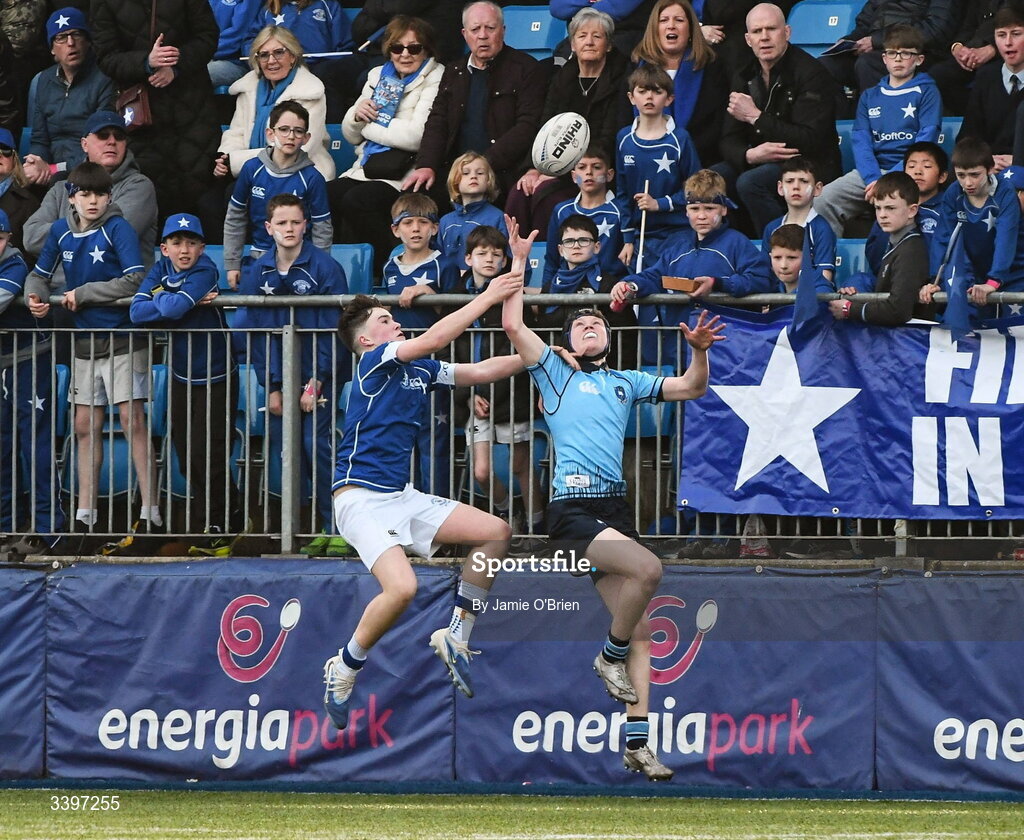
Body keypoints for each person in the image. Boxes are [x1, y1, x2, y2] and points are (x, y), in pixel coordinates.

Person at [502, 219, 726, 781]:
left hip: (615, 511)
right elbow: (512, 321)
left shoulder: (626, 380)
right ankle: (608, 654)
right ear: (568, 343)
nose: (588, 325)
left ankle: (636, 742)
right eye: (578, 323)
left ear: (609, 334)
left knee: (644, 631)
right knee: (649, 570)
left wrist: (698, 353)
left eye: (596, 320)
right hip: (572, 512)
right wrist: (519, 261)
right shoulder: (554, 376)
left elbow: (692, 388)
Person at [321, 258, 531, 729]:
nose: (394, 322)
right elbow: (436, 336)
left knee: (496, 532)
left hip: (400, 495)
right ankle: (346, 664)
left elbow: (479, 370)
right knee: (404, 588)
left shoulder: (418, 369)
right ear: (366, 340)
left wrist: (538, 356)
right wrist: (490, 295)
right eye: (384, 320)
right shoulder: (374, 362)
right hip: (358, 500)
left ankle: (457, 634)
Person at [24, 162, 155, 552]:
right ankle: (85, 516)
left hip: (123, 338)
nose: (92, 201)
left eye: (99, 194)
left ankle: (150, 510)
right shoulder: (61, 230)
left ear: (109, 196)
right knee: (84, 424)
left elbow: (135, 277)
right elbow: (40, 272)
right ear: (71, 197)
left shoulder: (118, 228)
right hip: (84, 342)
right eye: (84, 194)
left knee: (133, 420)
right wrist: (35, 296)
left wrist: (84, 294)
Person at [129, 213, 243, 555]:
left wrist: (163, 298)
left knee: (211, 453)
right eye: (177, 243)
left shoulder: (206, 269)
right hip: (181, 374)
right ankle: (217, 516)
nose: (184, 250)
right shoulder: (159, 269)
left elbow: (173, 307)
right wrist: (174, 300)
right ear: (164, 248)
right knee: (183, 452)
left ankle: (224, 521)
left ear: (202, 247)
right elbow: (136, 313)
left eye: (191, 243)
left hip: (217, 374)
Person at [240, 193, 347, 541]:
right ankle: (295, 531)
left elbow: (335, 331)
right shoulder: (258, 270)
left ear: (306, 225)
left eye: (295, 222)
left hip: (320, 374)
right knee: (288, 451)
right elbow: (257, 335)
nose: (289, 228)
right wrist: (271, 386)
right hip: (280, 376)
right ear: (268, 228)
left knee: (318, 447)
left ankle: (336, 528)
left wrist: (317, 381)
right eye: (281, 223)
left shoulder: (326, 268)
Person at [614, 168, 769, 366]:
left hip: (727, 351)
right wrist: (630, 285)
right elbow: (654, 277)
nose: (702, 216)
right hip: (681, 349)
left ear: (724, 209)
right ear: (686, 211)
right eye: (695, 209)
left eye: (709, 208)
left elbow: (761, 280)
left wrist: (717, 284)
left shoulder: (738, 243)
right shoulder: (676, 245)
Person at [402, 1, 547, 209]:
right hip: (456, 174)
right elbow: (437, 122)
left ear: (503, 31)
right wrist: (426, 165)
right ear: (464, 34)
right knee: (414, 194)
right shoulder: (453, 71)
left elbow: (528, 126)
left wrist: (483, 165)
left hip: (503, 171)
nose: (483, 35)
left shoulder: (527, 69)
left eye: (490, 28)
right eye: (475, 29)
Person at [328, 16, 443, 276]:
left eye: (414, 48)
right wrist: (357, 116)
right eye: (396, 48)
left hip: (403, 174)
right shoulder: (377, 75)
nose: (404, 54)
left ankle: (387, 265)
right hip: (365, 167)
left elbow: (415, 136)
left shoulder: (435, 76)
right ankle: (337, 270)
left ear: (426, 50)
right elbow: (350, 134)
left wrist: (369, 125)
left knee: (357, 201)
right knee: (325, 195)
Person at [715, 2, 840, 236]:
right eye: (757, 31)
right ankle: (738, 247)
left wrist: (755, 117)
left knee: (750, 183)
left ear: (787, 32)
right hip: (759, 158)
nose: (764, 37)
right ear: (747, 39)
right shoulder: (743, 74)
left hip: (809, 162)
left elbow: (810, 140)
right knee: (715, 180)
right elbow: (728, 138)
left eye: (771, 29)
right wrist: (748, 155)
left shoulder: (812, 72)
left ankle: (785, 244)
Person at [505, 8, 633, 237]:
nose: (589, 42)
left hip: (593, 170)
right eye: (582, 36)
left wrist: (560, 170)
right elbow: (546, 126)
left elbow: (608, 136)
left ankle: (547, 263)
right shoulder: (561, 78)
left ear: (609, 45)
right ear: (572, 44)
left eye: (597, 36)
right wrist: (535, 168)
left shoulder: (620, 80)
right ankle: (516, 260)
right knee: (519, 192)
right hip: (556, 168)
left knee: (550, 200)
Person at [90, 0, 221, 216]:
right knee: (150, 194)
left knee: (198, 190)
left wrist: (175, 66)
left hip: (192, 108)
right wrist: (146, 62)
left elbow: (207, 37)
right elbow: (105, 57)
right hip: (142, 116)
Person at [203, 25, 333, 241]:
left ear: (293, 56)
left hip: (298, 170)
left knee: (234, 194)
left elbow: (297, 147)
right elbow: (236, 132)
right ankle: (231, 264)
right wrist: (224, 158)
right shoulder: (248, 89)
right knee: (208, 202)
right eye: (264, 55)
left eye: (279, 52)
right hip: (252, 170)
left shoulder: (311, 90)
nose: (271, 60)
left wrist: (234, 161)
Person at [815, 25, 942, 239]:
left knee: (894, 203)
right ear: (884, 58)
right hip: (870, 174)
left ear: (919, 60)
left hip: (908, 173)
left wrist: (890, 179)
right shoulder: (870, 95)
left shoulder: (928, 91)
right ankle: (828, 265)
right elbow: (861, 141)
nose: (898, 59)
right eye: (892, 53)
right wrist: (874, 177)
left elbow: (925, 143)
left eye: (906, 53)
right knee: (823, 199)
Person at [461, 225, 545, 536]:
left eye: (497, 254)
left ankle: (536, 528)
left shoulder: (513, 294)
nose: (489, 259)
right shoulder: (456, 295)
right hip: (475, 394)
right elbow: (450, 347)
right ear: (468, 258)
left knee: (520, 467)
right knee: (482, 471)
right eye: (481, 253)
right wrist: (468, 394)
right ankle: (508, 513)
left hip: (514, 394)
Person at [381, 192, 460, 497]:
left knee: (433, 437)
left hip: (431, 364)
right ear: (395, 230)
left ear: (435, 229)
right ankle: (404, 508)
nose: (415, 229)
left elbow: (457, 309)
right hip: (398, 366)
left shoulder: (443, 265)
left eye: (423, 222)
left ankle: (438, 510)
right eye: (408, 222)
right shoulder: (390, 267)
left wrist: (430, 292)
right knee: (402, 436)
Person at [0, 208, 66, 555]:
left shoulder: (14, 263)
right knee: (3, 449)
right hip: (3, 367)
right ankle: (6, 527)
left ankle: (48, 530)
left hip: (30, 362)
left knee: (36, 447)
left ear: (8, 239)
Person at [23, 110, 158, 271]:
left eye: (119, 136)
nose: (112, 141)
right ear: (84, 144)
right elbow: (31, 238)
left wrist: (59, 236)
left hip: (118, 291)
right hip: (59, 290)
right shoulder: (61, 189)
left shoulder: (139, 186)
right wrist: (87, 229)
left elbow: (110, 239)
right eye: (103, 135)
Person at [223, 99, 331, 289]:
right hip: (259, 259)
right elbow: (235, 218)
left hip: (299, 262)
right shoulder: (251, 169)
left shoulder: (313, 178)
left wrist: (321, 267)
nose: (291, 136)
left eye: (298, 131)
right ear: (270, 134)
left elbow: (322, 230)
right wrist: (232, 264)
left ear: (306, 138)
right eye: (284, 129)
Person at [920, 137, 1024, 320]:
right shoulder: (954, 193)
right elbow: (945, 238)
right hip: (974, 274)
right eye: (961, 175)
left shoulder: (1005, 193)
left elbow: (1005, 238)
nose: (968, 183)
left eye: (975, 175)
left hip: (1012, 273)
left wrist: (994, 280)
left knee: (1012, 329)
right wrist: (935, 280)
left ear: (991, 169)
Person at [615, 64, 701, 267]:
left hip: (679, 231)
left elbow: (697, 190)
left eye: (657, 91)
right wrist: (627, 240)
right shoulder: (624, 139)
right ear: (631, 98)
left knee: (673, 290)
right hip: (641, 235)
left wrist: (659, 204)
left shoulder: (680, 139)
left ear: (669, 98)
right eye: (642, 91)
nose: (649, 97)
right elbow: (623, 193)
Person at [22, 8, 116, 189]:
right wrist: (36, 163)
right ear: (52, 49)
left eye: (76, 34)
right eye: (61, 38)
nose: (70, 43)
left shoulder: (104, 78)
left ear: (88, 41)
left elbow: (101, 142)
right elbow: (39, 139)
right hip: (49, 171)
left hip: (89, 171)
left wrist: (53, 168)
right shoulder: (43, 80)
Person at [631, 0, 728, 167]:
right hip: (643, 159)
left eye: (679, 20)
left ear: (691, 29)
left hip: (698, 160)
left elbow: (716, 126)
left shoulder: (712, 67)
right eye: (664, 20)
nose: (671, 26)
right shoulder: (635, 66)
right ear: (655, 29)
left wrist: (679, 154)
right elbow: (624, 118)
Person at [817, 0, 959, 111]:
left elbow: (935, 31)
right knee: (825, 65)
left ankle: (878, 125)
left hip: (920, 55)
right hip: (879, 50)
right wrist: (850, 41)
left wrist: (877, 41)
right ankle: (840, 127)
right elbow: (864, 25)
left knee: (867, 63)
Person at [830, 171, 929, 325]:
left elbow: (898, 310)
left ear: (912, 210)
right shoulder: (897, 244)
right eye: (878, 208)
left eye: (890, 208)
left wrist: (850, 309)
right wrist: (855, 297)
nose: (882, 215)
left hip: (908, 342)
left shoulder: (911, 250)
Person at [246, 0, 357, 121]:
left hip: (320, 65)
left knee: (324, 73)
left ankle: (330, 128)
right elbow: (251, 43)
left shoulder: (326, 4)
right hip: (283, 65)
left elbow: (344, 47)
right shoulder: (268, 10)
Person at [543, 146, 629, 290]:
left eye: (596, 167)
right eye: (582, 167)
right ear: (574, 176)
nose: (589, 172)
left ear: (609, 174)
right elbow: (552, 260)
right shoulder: (561, 210)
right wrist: (546, 295)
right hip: (567, 288)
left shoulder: (621, 210)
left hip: (609, 290)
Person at [865, 140, 948, 275]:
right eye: (911, 166)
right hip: (888, 278)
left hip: (930, 283)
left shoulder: (947, 210)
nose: (918, 172)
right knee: (856, 283)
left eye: (927, 166)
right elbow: (874, 254)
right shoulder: (888, 208)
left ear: (942, 176)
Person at [958, 5, 1024, 173]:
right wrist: (986, 162)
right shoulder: (986, 77)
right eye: (1001, 35)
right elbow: (969, 136)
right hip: (989, 168)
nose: (1008, 42)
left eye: (1016, 34)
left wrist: (1019, 160)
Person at [763, 157, 836, 282]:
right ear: (780, 188)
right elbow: (764, 273)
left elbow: (825, 277)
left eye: (803, 181)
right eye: (790, 181)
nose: (796, 187)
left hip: (810, 299)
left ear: (817, 188)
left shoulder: (821, 228)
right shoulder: (771, 228)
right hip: (777, 299)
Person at [928, 0, 1006, 116]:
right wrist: (957, 47)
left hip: (1002, 54)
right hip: (971, 51)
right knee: (937, 75)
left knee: (986, 75)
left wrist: (992, 49)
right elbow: (967, 26)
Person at [438, 152, 508, 265]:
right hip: (450, 282)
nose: (473, 176)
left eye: (480, 173)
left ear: (488, 181)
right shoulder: (445, 221)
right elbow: (439, 262)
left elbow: (507, 259)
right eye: (465, 173)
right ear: (455, 181)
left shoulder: (498, 218)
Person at [0, 128, 41, 253]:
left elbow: (32, 254)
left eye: (5, 150)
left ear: (14, 158)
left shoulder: (29, 202)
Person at [208, 0, 262, 88]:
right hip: (205, 52)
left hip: (235, 62)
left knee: (196, 73)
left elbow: (237, 36)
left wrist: (201, 52)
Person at [768, 223, 832, 296]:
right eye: (777, 257)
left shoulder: (821, 293)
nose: (783, 265)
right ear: (770, 257)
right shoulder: (769, 288)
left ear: (808, 258)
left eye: (792, 258)